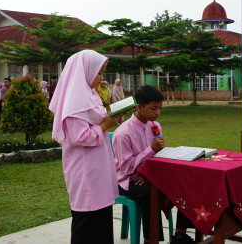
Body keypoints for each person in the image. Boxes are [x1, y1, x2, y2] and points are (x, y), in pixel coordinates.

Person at [49, 50, 124, 244]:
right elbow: (80, 137)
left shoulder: (90, 94)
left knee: (102, 218)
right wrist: (106, 125)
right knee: (88, 222)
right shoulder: (75, 102)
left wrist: (111, 117)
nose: (101, 78)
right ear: (85, 71)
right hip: (85, 171)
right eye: (99, 73)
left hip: (97, 167)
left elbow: (96, 121)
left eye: (102, 73)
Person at [113, 85, 195, 244]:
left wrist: (152, 174)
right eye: (153, 108)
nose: (157, 112)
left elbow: (159, 154)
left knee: (185, 182)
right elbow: (127, 168)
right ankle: (150, 240)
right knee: (149, 194)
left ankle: (180, 234)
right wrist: (150, 151)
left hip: (149, 174)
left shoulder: (155, 126)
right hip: (126, 179)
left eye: (160, 108)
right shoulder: (123, 133)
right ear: (139, 106)